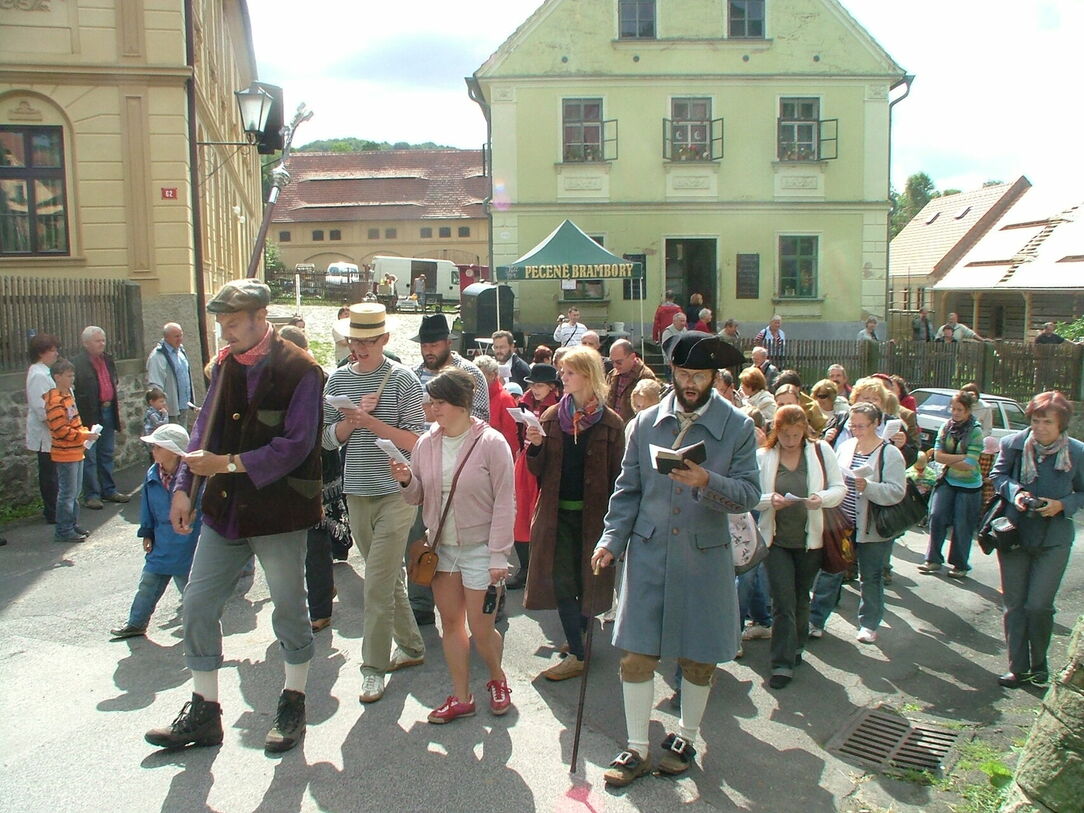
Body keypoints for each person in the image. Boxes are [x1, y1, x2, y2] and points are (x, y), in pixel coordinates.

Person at [145, 279, 322, 754]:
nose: (224, 334)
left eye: (232, 325)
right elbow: (203, 429)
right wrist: (184, 487)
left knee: (288, 606)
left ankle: (293, 700)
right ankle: (205, 711)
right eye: (221, 325)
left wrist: (225, 465)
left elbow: (296, 445)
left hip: (280, 510)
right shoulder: (224, 366)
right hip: (225, 510)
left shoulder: (302, 369)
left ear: (261, 317)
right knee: (198, 604)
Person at [591, 332, 757, 785]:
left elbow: (749, 495)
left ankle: (685, 736)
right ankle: (636, 747)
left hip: (704, 559)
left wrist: (707, 480)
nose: (689, 382)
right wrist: (610, 540)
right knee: (635, 658)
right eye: (682, 373)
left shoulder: (738, 427)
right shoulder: (644, 423)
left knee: (699, 660)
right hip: (647, 554)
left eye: (698, 375)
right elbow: (628, 490)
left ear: (714, 377)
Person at [392, 369, 515, 722]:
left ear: (461, 405)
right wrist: (405, 480)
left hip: (480, 548)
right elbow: (417, 497)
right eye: (430, 402)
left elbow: (506, 501)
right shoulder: (426, 443)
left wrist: (498, 554)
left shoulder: (491, 443)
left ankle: (497, 677)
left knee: (481, 627)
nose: (431, 408)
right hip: (441, 548)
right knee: (451, 623)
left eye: (438, 402)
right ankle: (462, 696)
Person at [324, 303, 428, 703]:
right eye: (354, 340)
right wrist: (350, 421)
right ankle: (413, 648)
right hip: (357, 491)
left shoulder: (402, 379)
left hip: (399, 492)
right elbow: (325, 440)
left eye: (368, 341)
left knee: (376, 584)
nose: (360, 348)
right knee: (385, 578)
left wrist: (372, 423)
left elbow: (418, 441)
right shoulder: (336, 381)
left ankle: (373, 667)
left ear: (385, 339)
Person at [524, 346, 624, 682]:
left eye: (569, 372)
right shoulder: (552, 417)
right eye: (561, 372)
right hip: (557, 517)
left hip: (595, 519)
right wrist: (535, 445)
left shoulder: (611, 423)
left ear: (588, 375)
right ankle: (578, 652)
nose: (562, 377)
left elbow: (619, 477)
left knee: (587, 583)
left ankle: (577, 637)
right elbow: (537, 470)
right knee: (564, 582)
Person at [991, 391, 1084, 688]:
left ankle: (1039, 663)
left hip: (1054, 538)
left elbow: (1082, 492)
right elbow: (998, 476)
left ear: (1061, 425)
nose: (1040, 427)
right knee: (1015, 604)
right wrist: (1016, 493)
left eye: (1047, 422)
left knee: (1039, 605)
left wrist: (1062, 505)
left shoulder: (1077, 451)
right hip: (1015, 534)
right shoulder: (1013, 445)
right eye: (1035, 420)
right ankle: (1018, 668)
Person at [756, 405, 845, 688]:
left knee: (800, 597)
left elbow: (839, 488)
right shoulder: (765, 456)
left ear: (805, 431)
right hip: (776, 540)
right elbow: (751, 496)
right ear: (776, 432)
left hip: (811, 541)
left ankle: (796, 645)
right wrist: (771, 499)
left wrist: (821, 498)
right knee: (783, 601)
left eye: (796, 435)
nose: (791, 441)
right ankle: (781, 664)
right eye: (785, 436)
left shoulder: (821, 452)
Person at [279, 325, 350, 632]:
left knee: (314, 539)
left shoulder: (314, 378)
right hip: (293, 469)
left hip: (315, 468)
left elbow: (321, 425)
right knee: (299, 543)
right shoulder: (284, 378)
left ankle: (320, 608)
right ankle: (321, 593)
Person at [819, 403, 906, 644]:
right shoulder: (846, 446)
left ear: (876, 424)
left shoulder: (889, 453)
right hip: (843, 522)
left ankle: (869, 624)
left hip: (872, 528)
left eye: (861, 426)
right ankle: (816, 620)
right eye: (852, 425)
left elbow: (897, 492)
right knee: (831, 570)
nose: (855, 430)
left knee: (871, 575)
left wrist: (868, 487)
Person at [110, 424, 201, 639]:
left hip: (187, 543)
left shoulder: (193, 477)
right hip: (161, 542)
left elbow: (203, 510)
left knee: (191, 592)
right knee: (148, 585)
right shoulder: (152, 474)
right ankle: (136, 623)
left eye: (158, 447)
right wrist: (147, 532)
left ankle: (200, 629)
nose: (153, 451)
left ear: (173, 450)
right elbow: (147, 508)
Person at [920, 391, 985, 578]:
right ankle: (933, 560)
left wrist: (956, 459)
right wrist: (962, 457)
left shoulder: (975, 431)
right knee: (936, 516)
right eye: (953, 409)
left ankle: (960, 564)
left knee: (962, 524)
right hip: (947, 480)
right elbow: (937, 456)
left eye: (960, 410)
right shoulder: (946, 427)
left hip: (969, 485)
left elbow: (969, 465)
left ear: (968, 410)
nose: (955, 413)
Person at [508, 363, 561, 591]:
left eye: (540, 385)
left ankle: (545, 570)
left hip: (546, 465)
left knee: (542, 516)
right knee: (520, 515)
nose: (535, 389)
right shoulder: (524, 403)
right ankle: (526, 568)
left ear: (551, 386)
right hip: (525, 463)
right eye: (532, 384)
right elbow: (517, 433)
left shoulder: (558, 406)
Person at [72, 326, 128, 508]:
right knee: (90, 456)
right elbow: (77, 390)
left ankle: (109, 490)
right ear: (86, 343)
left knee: (106, 453)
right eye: (97, 341)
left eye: (103, 340)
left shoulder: (108, 359)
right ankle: (92, 495)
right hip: (89, 414)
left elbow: (113, 381)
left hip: (108, 410)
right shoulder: (78, 363)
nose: (102, 344)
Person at [45, 358, 99, 542]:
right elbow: (60, 430)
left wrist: (86, 432)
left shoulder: (68, 396)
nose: (72, 379)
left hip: (76, 451)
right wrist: (84, 435)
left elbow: (75, 422)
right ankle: (63, 529)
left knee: (74, 493)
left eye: (73, 375)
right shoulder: (55, 401)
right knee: (67, 494)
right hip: (65, 453)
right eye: (69, 375)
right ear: (57, 377)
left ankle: (71, 524)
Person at [413, 314, 489, 421]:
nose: (428, 351)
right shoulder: (413, 374)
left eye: (434, 345)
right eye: (424, 346)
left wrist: (440, 413)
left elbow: (481, 416)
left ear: (448, 343)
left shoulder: (468, 372)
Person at [25, 333, 61, 524]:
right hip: (46, 432)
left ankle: (55, 508)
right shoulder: (38, 374)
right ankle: (52, 510)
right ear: (41, 352)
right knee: (49, 473)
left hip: (52, 430)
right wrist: (57, 428)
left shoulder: (44, 371)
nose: (56, 354)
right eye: (52, 350)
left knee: (53, 472)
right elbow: (42, 408)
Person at [146, 322, 194, 426]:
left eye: (181, 335)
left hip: (183, 405)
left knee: (182, 437)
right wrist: (161, 406)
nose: (180, 339)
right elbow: (155, 384)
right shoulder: (157, 356)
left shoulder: (180, 351)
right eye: (176, 336)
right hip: (169, 409)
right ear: (166, 337)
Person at [474, 355, 520, 456]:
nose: (477, 379)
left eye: (480, 375)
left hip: (497, 457)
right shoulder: (473, 396)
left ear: (493, 375)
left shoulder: (505, 399)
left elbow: (511, 436)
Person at [606, 339, 656, 423]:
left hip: (634, 429)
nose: (615, 365)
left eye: (619, 362)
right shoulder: (612, 374)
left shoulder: (645, 376)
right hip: (614, 429)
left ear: (632, 357)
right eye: (612, 362)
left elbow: (650, 411)